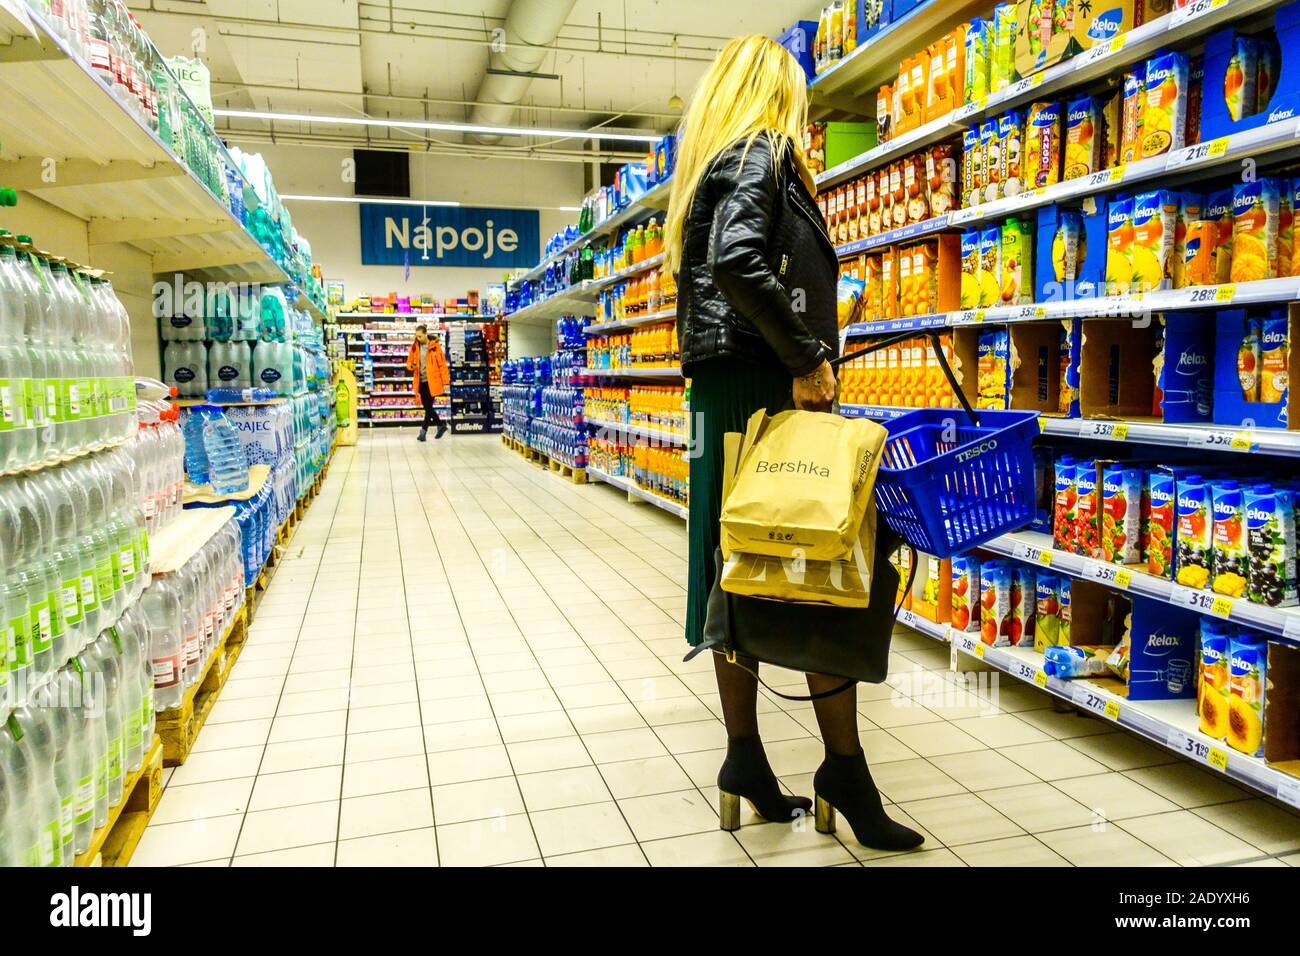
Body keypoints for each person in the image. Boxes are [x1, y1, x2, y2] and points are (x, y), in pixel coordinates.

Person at [663, 34, 923, 852]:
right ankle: (841, 769)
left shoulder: (718, 163)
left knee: (737, 571)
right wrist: (809, 357)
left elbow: (739, 264)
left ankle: (748, 759)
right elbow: (739, 261)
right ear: (776, 92)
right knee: (818, 566)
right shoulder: (762, 152)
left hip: (726, 392)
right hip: (758, 388)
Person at [407, 324, 449, 441]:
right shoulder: (415, 347)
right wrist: (412, 365)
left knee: (428, 407)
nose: (418, 338)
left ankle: (423, 432)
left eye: (420, 336)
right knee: (428, 407)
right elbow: (409, 363)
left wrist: (446, 382)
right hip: (420, 382)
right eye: (417, 336)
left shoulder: (435, 347)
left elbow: (442, 365)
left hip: (432, 382)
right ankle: (441, 425)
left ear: (425, 334)